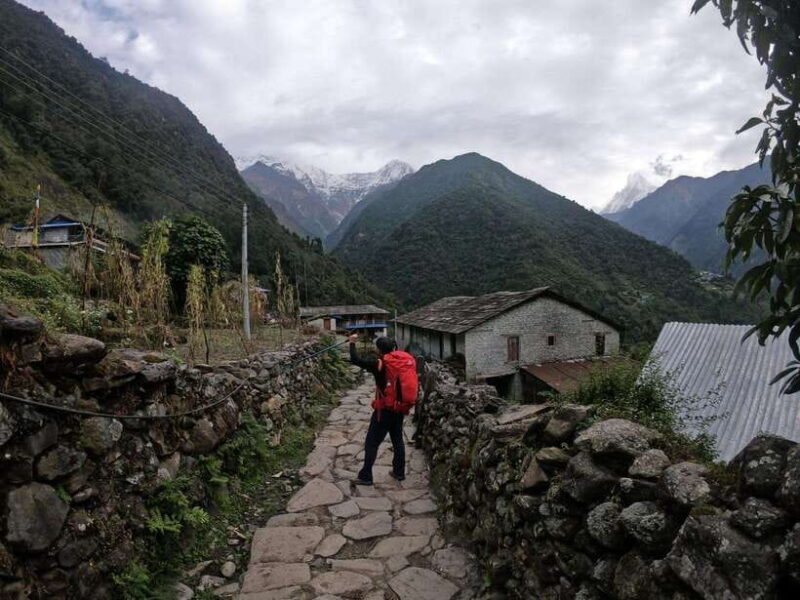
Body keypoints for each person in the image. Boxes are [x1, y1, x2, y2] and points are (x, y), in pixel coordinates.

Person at [348, 332, 407, 485]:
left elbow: (355, 359)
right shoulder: (400, 361)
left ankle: (366, 476)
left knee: (371, 443)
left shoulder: (379, 364)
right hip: (399, 409)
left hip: (384, 410)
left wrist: (352, 342)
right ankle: (399, 472)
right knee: (398, 440)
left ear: (379, 350)